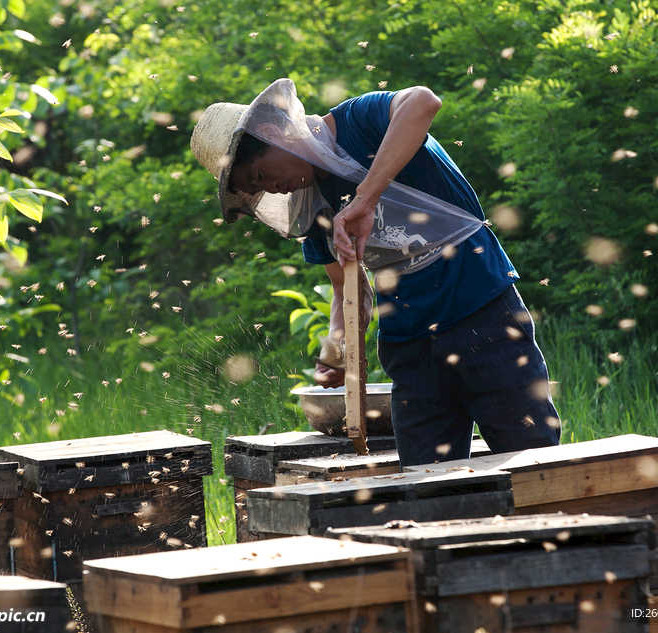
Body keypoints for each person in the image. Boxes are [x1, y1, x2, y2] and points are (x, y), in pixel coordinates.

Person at [190, 78, 561, 467]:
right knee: (425, 485)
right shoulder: (312, 206)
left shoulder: (356, 121)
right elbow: (347, 291)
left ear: (272, 133)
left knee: (532, 464)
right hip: (409, 348)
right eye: (259, 189)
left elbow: (423, 101)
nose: (274, 190)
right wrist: (337, 353)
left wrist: (365, 199)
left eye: (260, 177)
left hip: (482, 314)